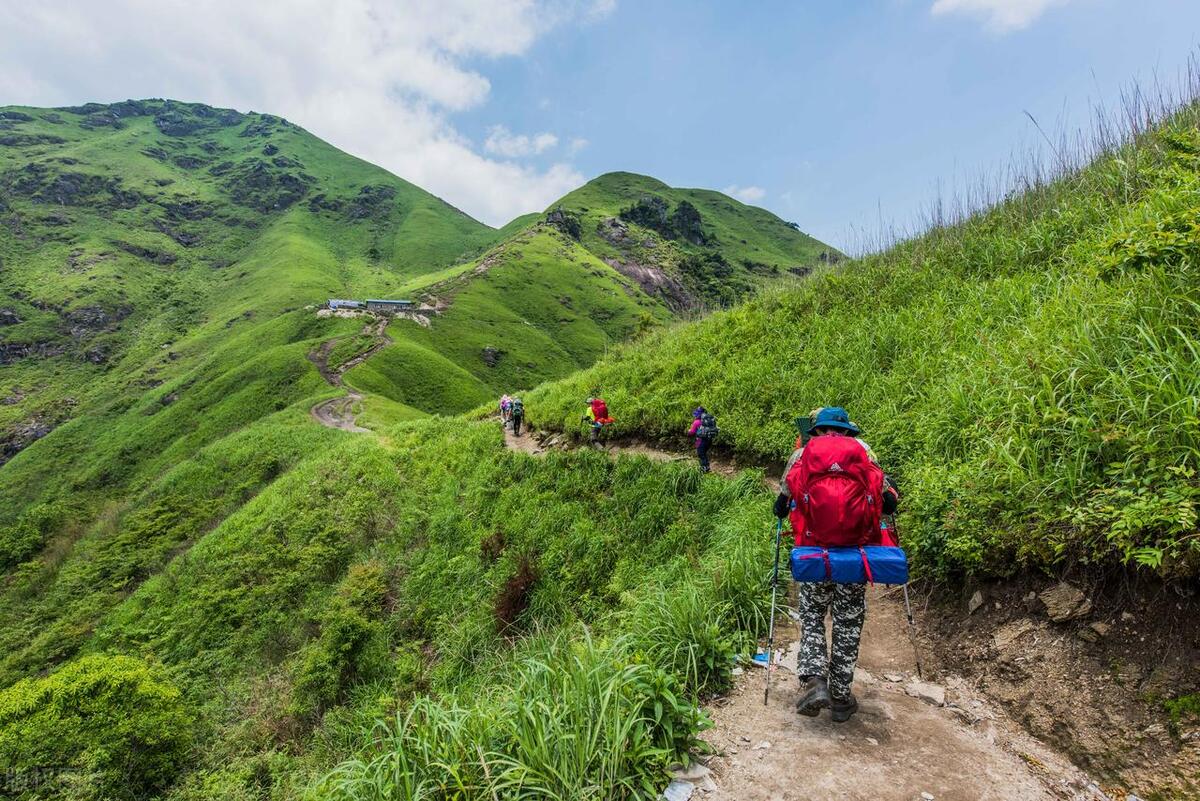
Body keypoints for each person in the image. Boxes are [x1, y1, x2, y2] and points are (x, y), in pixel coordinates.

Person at [772, 406, 899, 723]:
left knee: (813, 613)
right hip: (855, 555)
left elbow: (781, 502)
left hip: (815, 550)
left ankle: (814, 681)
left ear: (817, 430)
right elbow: (888, 500)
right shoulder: (864, 450)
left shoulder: (802, 454)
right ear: (847, 431)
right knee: (848, 622)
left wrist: (783, 508)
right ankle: (842, 697)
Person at [687, 406, 717, 472]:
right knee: (704, 454)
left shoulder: (696, 422)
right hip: (709, 440)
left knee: (701, 454)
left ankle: (704, 469)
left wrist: (688, 431)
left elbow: (692, 432)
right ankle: (706, 467)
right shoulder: (708, 420)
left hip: (700, 441)